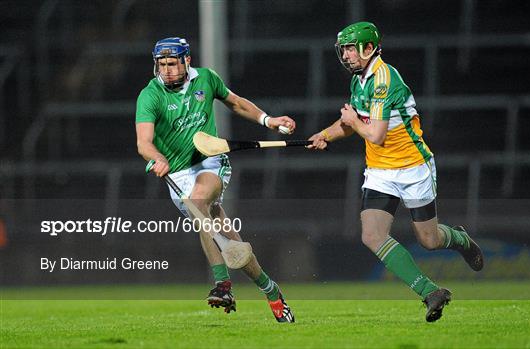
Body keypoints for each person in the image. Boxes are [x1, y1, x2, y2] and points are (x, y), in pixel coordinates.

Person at [308, 22, 484, 322]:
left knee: (429, 240)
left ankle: (461, 240)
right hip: (380, 171)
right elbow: (352, 125)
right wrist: (324, 134)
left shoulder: (385, 80)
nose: (346, 55)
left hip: (413, 168)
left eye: (351, 48)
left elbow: (374, 133)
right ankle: (430, 292)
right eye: (344, 49)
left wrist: (351, 119)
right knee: (372, 235)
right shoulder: (360, 81)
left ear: (368, 47)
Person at [135, 37, 295, 323]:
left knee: (198, 203)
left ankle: (222, 286)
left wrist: (268, 121)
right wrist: (158, 158)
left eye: (173, 63)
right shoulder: (150, 95)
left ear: (187, 61)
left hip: (210, 160)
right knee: (231, 244)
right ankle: (271, 290)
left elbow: (236, 103)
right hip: (178, 173)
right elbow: (143, 142)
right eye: (162, 64)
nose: (167, 70)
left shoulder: (206, 79)